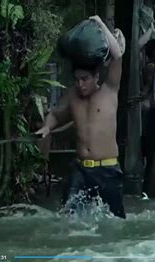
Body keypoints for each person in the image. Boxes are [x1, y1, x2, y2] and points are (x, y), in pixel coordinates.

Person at [36, 16, 126, 218]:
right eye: (77, 80)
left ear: (96, 77)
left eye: (85, 79)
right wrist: (47, 127)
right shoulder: (72, 96)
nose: (80, 84)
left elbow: (118, 56)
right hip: (81, 169)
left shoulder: (110, 90)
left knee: (116, 222)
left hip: (107, 169)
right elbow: (57, 114)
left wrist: (100, 23)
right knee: (66, 217)